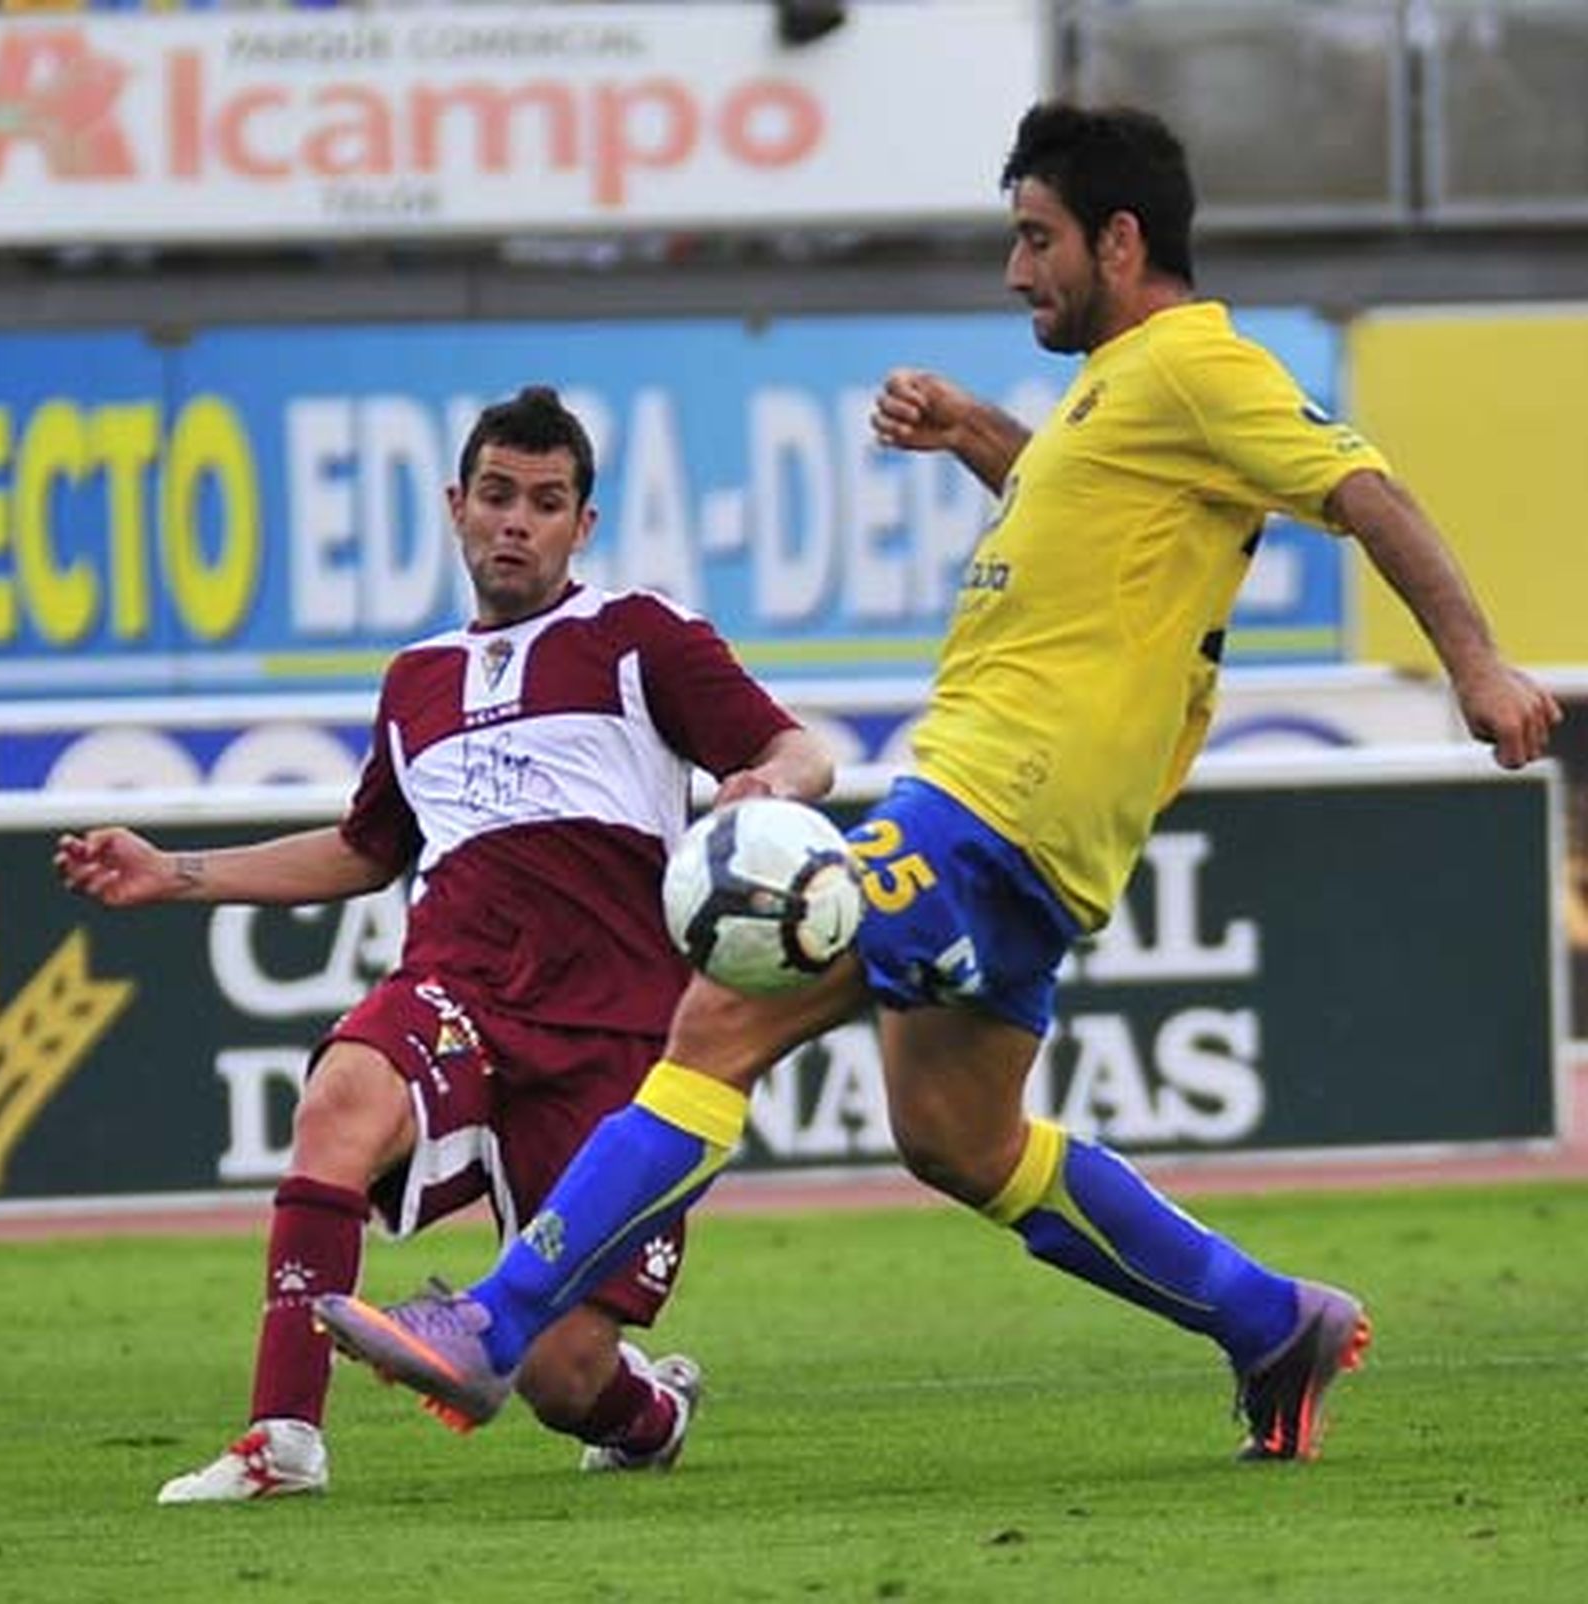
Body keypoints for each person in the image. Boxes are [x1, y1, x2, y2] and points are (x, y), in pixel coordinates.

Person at [314, 104, 1563, 1463]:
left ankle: (489, 1327)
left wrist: (1478, 664)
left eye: (1038, 240)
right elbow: (1095, 526)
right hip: (1032, 836)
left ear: (1121, 239)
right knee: (960, 1138)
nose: (1018, 271)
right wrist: (979, 435)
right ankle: (1272, 1322)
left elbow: (1365, 488)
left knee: (721, 1022)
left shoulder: (1202, 368)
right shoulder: (1123, 391)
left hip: (989, 807)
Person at [55, 386, 833, 1502]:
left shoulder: (636, 637)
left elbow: (797, 747)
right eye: (500, 495)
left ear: (583, 525)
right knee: (339, 1099)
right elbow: (370, 848)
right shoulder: (415, 679)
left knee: (565, 1375)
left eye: (548, 502)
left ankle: (645, 1409)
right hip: (458, 985)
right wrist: (177, 871)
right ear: (456, 505)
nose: (518, 520)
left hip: (616, 1024)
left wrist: (767, 784)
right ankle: (281, 1439)